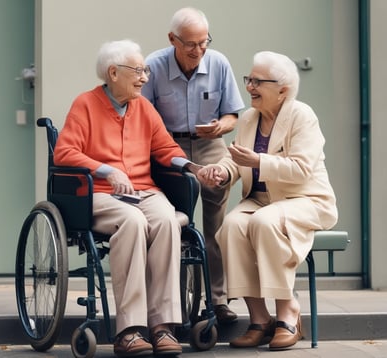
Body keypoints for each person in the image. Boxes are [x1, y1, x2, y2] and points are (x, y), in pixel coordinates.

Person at [54, 39, 189, 357]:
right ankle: (129, 330)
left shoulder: (144, 107)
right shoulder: (85, 104)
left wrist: (192, 166)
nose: (145, 77)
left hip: (144, 190)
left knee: (168, 220)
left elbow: (166, 149)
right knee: (132, 222)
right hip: (100, 194)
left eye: (146, 71)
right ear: (113, 73)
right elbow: (65, 151)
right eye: (138, 71)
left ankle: (162, 326)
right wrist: (105, 171)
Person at [196, 51, 338, 350]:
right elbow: (235, 160)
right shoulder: (249, 118)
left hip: (305, 198)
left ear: (283, 89)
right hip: (261, 199)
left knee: (263, 221)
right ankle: (259, 320)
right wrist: (220, 172)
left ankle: (288, 311)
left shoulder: (302, 115)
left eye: (258, 81)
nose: (249, 87)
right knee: (232, 227)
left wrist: (259, 160)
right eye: (249, 79)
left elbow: (301, 170)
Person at [142, 7, 245, 325]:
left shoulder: (219, 63)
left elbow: (232, 115)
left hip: (210, 146)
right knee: (174, 225)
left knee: (215, 228)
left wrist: (220, 127)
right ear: (172, 39)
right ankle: (172, 302)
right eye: (191, 44)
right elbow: (141, 117)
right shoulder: (153, 66)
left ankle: (218, 300)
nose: (199, 50)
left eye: (204, 42)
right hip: (167, 147)